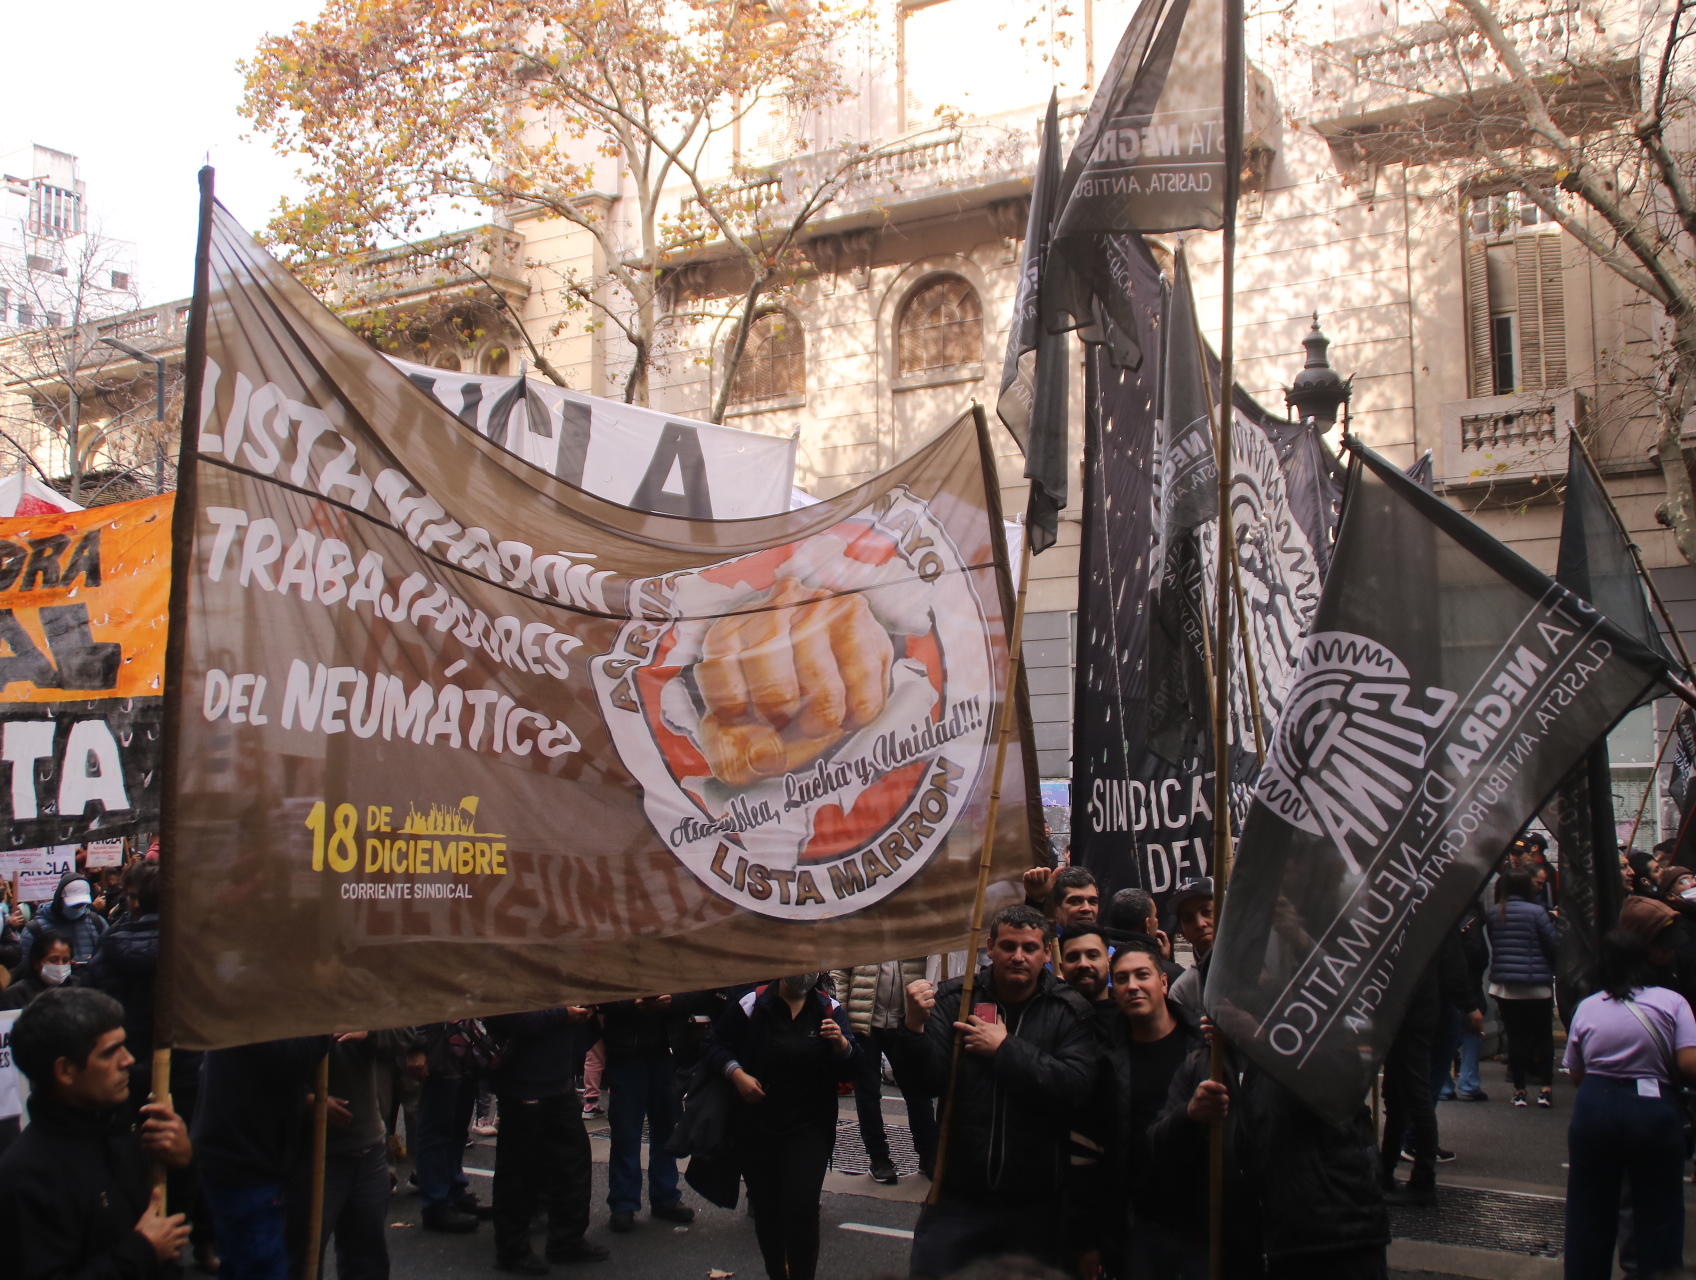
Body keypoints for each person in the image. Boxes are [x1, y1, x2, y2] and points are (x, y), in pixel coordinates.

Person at [899, 903, 1099, 1277]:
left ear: (1045, 953)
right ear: (990, 947)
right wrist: (912, 1029)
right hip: (958, 1199)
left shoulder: (1069, 1010)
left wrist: (1006, 1049)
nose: (1018, 957)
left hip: (1035, 1209)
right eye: (1008, 946)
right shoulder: (955, 1000)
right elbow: (923, 1083)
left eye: (1029, 948)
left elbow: (1074, 1089)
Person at [1150, 1026, 1389, 1279]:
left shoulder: (1315, 1035)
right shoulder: (1202, 1063)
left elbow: (1341, 1077)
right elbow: (1158, 1144)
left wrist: (1260, 1035)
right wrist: (1189, 1115)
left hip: (1336, 1236)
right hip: (1256, 1244)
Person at [0, 987, 194, 1280]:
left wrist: (182, 1163)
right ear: (65, 1070)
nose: (128, 1059)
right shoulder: (25, 1177)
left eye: (124, 1046)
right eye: (109, 1053)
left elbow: (170, 1223)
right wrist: (139, 1252)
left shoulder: (128, 1127)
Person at [80, 859, 217, 1272]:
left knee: (131, 1157)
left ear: (136, 902)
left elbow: (86, 1003)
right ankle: (205, 1240)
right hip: (186, 1069)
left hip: (124, 1070)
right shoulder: (194, 947)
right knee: (189, 1151)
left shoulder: (110, 945)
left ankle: (144, 1234)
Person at [702, 974, 859, 1280]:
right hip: (757, 1125)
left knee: (802, 1206)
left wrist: (842, 1045)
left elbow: (854, 1066)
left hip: (808, 1126)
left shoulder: (830, 1010)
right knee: (767, 1208)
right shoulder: (753, 1004)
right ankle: (777, 1272)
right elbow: (713, 1046)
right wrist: (737, 1074)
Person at [1562, 930, 1696, 1279]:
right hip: (1653, 1108)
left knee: (1589, 1208)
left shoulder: (1587, 1007)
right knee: (1659, 1207)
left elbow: (1577, 1072)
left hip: (1595, 1105)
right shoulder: (1672, 1002)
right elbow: (1688, 1065)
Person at [1092, 937, 1205, 1279]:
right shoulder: (1106, 1061)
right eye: (1122, 979)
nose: (1133, 986)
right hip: (1142, 1224)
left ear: (1164, 981)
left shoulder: (1205, 1048)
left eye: (1142, 975)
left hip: (1207, 1220)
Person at [192, 1036, 330, 1280]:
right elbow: (293, 1061)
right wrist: (327, 1018)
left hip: (234, 1150)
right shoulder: (259, 1004)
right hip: (243, 1159)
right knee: (261, 1266)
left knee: (239, 1262)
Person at [483, 1004, 608, 1273]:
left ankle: (566, 1240)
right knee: (518, 1170)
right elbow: (504, 1014)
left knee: (572, 1161)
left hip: (556, 1079)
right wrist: (563, 1015)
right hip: (523, 1080)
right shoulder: (509, 967)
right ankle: (512, 1251)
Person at [286, 1029, 412, 1280]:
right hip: (314, 1154)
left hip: (368, 1146)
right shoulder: (289, 998)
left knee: (367, 1259)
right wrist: (307, 1100)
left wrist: (371, 1033)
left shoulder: (362, 993)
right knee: (302, 1257)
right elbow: (255, 1069)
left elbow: (405, 1034)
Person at [598, 993, 703, 1229]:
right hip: (626, 1053)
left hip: (666, 1052)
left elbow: (698, 991)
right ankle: (624, 1203)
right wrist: (631, 1003)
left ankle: (664, 1196)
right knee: (626, 1131)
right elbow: (598, 995)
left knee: (666, 1127)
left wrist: (674, 1001)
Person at [830, 959, 936, 1182]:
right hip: (864, 1021)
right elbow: (841, 969)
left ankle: (929, 1154)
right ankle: (878, 1157)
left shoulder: (912, 926)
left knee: (918, 1091)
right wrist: (839, 1011)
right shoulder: (860, 925)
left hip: (906, 1021)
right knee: (867, 1093)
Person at [407, 1022, 489, 1232]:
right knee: (435, 1129)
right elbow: (411, 1000)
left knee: (457, 1127)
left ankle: (454, 1193)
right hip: (438, 1044)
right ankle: (436, 1204)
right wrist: (415, 1047)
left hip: (463, 1043)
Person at [1487, 869, 1558, 1108]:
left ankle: (1519, 1089)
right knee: (1543, 1036)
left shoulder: (1494, 913)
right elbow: (1552, 944)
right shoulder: (1538, 912)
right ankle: (1546, 1087)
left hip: (1507, 986)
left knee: (1515, 1038)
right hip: (1538, 985)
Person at [22, 874, 106, 969]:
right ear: (60, 900)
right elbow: (24, 966)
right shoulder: (35, 929)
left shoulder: (97, 922)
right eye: (73, 905)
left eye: (82, 904)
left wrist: (97, 960)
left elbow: (109, 954)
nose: (77, 908)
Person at [1166, 879, 1216, 1015]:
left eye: (1207, 912)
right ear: (1182, 933)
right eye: (1188, 918)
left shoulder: (1262, 963)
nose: (1200, 924)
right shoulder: (1182, 991)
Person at [0, 930, 72, 1009]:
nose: (60, 965)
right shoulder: (16, 995)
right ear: (36, 963)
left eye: (65, 960)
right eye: (53, 960)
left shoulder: (76, 987)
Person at [1023, 865, 1100, 932]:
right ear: (1055, 910)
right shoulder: (1045, 945)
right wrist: (1035, 901)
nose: (1087, 908)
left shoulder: (1108, 947)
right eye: (1075, 901)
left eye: (1092, 902)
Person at [1057, 924, 1114, 1013]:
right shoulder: (1049, 1018)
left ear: (1109, 964)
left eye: (1093, 956)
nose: (1083, 964)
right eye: (1073, 958)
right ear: (1062, 969)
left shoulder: (1129, 1017)